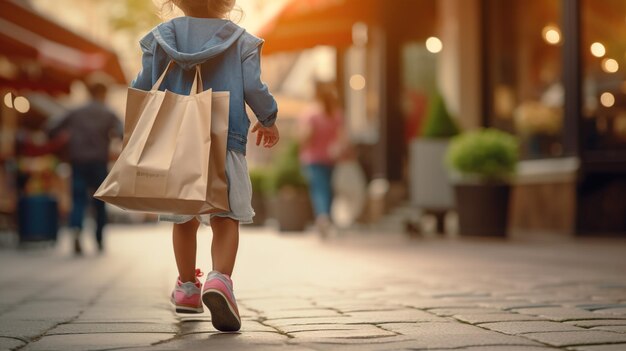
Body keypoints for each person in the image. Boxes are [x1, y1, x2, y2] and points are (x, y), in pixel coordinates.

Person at [130, 0, 279, 332]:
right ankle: (219, 280)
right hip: (225, 140)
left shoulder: (159, 38)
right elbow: (254, 88)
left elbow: (141, 87)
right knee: (226, 215)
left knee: (184, 217)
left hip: (175, 144)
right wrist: (268, 118)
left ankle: (186, 288)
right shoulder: (241, 40)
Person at [50, 81, 122, 255]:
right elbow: (122, 133)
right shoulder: (109, 113)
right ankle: (98, 239)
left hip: (78, 161)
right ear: (104, 93)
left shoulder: (75, 112)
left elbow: (51, 129)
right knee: (100, 203)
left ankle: (76, 230)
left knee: (78, 200)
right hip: (99, 161)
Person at [299, 82, 344, 235]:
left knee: (319, 189)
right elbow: (343, 137)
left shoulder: (311, 114)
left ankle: (322, 216)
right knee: (328, 188)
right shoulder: (336, 114)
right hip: (331, 157)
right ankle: (326, 216)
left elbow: (306, 136)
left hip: (313, 158)